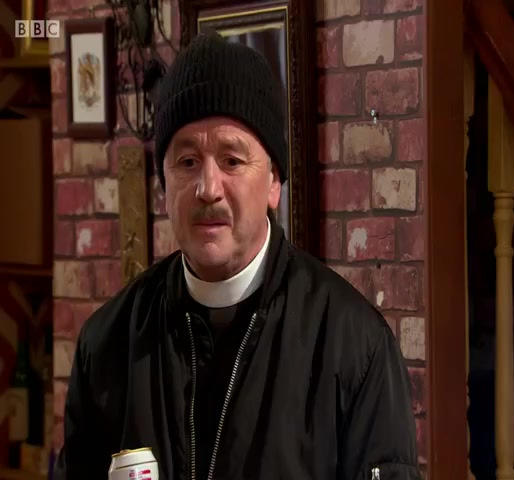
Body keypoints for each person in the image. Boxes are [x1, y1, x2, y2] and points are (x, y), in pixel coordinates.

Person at [53, 31, 421, 480]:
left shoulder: (354, 348)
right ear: (163, 184)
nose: (208, 188)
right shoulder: (108, 345)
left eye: (231, 160)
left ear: (273, 182)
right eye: (187, 162)